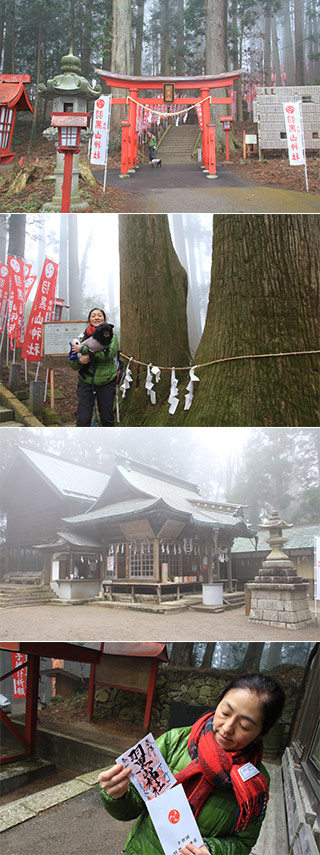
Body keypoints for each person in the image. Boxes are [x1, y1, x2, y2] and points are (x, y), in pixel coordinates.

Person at [98, 673, 285, 855]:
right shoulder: (175, 742)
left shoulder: (255, 783)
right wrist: (117, 795)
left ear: (261, 733)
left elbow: (243, 842)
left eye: (244, 726)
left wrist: (211, 850)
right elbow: (131, 808)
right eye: (225, 712)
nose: (227, 728)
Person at [70, 307, 119, 427]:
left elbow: (107, 355)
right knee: (83, 418)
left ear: (104, 319)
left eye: (99, 315)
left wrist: (83, 349)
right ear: (89, 320)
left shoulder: (111, 336)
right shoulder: (82, 338)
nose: (96, 317)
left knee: (107, 417)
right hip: (86, 381)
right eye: (93, 316)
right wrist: (80, 361)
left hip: (106, 380)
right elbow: (73, 363)